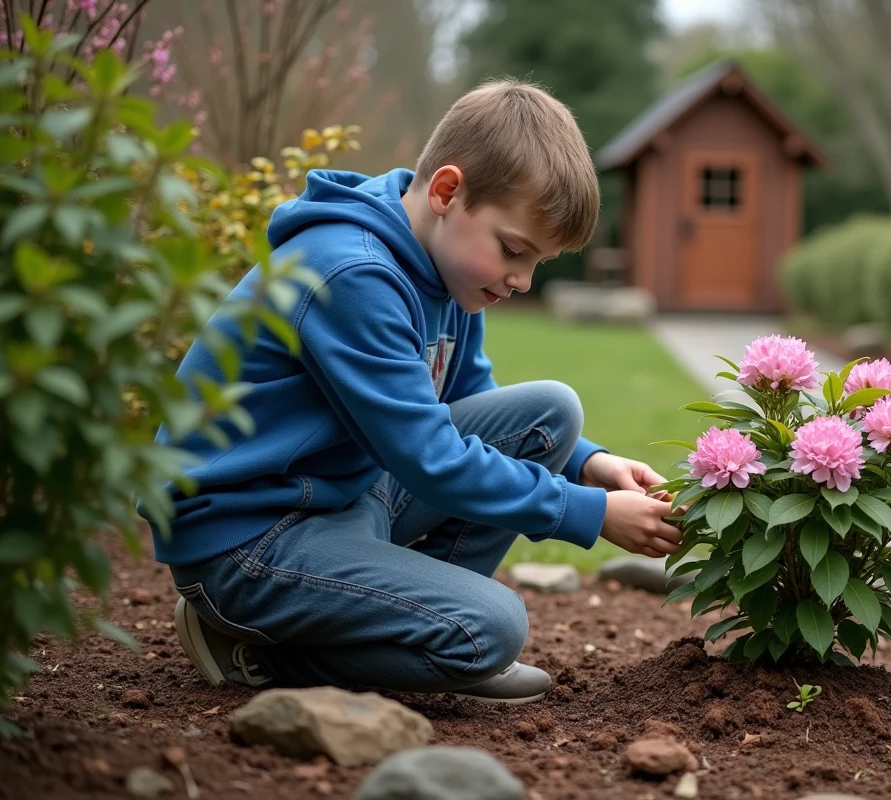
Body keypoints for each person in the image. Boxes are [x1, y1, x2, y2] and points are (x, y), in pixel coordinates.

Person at [153, 79, 683, 704]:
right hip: (251, 539)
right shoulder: (353, 274)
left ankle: (425, 623)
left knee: (552, 412)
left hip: (339, 495)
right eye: (513, 250)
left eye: (538, 262)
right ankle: (259, 648)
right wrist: (586, 514)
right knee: (494, 629)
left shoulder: (447, 270)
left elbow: (476, 406)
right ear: (447, 192)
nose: (519, 279)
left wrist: (588, 464)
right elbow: (431, 458)